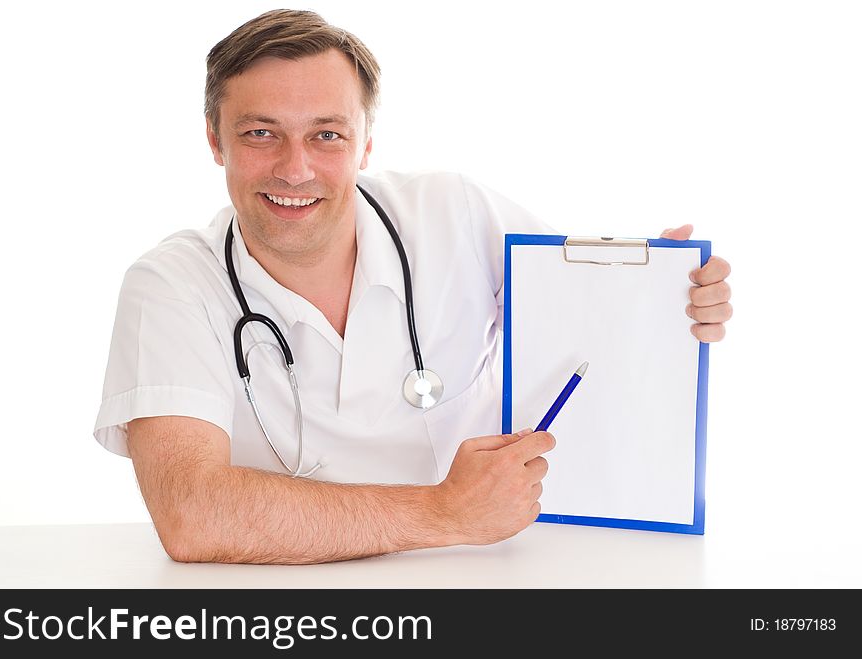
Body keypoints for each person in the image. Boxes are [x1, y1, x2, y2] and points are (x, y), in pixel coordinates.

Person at [94, 9, 732, 565]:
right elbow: (195, 517)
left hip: (487, 572)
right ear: (214, 140)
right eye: (260, 133)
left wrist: (671, 300)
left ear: (365, 142)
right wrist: (446, 513)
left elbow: (591, 330)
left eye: (327, 135)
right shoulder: (171, 286)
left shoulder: (453, 213)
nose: (296, 167)